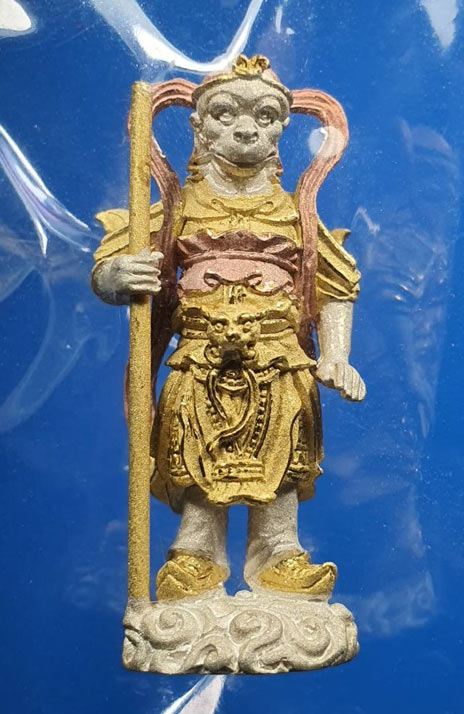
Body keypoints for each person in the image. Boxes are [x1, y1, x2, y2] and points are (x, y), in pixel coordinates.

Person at [91, 55, 365, 602]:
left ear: (282, 129)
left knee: (283, 450)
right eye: (225, 114)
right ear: (199, 127)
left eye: (264, 117)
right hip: (200, 358)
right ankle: (196, 553)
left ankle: (278, 551)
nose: (245, 129)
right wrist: (118, 275)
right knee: (196, 449)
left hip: (279, 358)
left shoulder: (295, 214)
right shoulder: (178, 208)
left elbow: (335, 284)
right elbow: (106, 270)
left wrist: (336, 355)